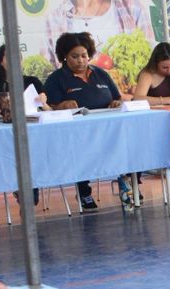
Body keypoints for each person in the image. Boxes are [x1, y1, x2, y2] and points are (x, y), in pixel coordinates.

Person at [43, 31, 134, 212]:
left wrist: (117, 102)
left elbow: (117, 97)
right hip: (75, 136)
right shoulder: (56, 79)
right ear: (64, 57)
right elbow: (48, 108)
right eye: (75, 56)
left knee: (128, 141)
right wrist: (61, 106)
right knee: (80, 150)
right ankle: (84, 192)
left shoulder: (101, 73)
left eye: (84, 56)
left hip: (107, 131)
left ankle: (128, 184)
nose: (80, 61)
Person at [0, 46, 45, 122]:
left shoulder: (32, 81)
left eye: (18, 57)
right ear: (1, 62)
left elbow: (49, 111)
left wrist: (43, 101)